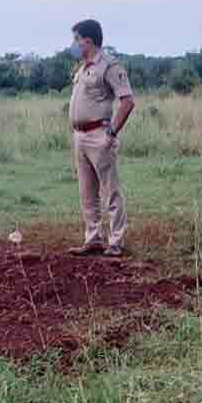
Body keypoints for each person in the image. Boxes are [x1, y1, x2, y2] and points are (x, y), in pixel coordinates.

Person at [65, 19, 136, 258]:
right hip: (80, 136)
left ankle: (116, 241)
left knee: (110, 190)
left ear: (88, 40)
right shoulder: (83, 67)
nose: (73, 44)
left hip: (99, 135)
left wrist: (112, 132)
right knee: (87, 192)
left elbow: (127, 101)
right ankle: (93, 238)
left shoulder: (109, 66)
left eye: (76, 39)